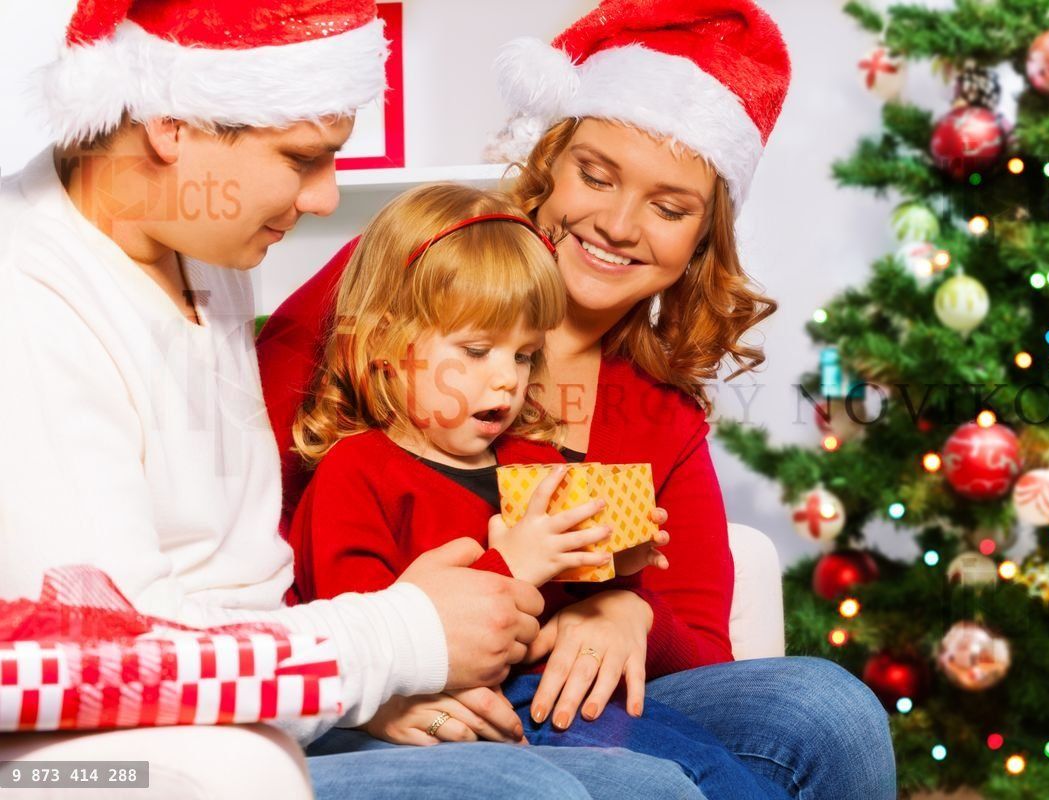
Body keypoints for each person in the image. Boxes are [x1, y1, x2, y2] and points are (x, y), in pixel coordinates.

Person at [0, 1, 648, 797]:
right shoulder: (25, 303)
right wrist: (393, 651)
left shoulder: (202, 248)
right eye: (305, 158)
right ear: (170, 124)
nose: (322, 197)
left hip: (302, 691)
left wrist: (615, 596)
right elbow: (115, 654)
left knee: (807, 711)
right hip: (169, 751)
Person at [257, 1, 898, 797]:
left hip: (561, 693)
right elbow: (221, 513)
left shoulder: (652, 415)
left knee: (825, 707)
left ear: (702, 240)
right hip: (355, 683)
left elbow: (685, 630)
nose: (618, 224)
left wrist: (627, 611)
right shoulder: (417, 276)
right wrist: (375, 680)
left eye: (669, 209)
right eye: (595, 175)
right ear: (548, 161)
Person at [286, 181, 791, 799]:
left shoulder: (534, 462)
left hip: (560, 692)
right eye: (474, 351)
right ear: (383, 347)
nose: (506, 380)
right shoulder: (355, 475)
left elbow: (577, 603)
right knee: (671, 781)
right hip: (471, 718)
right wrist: (514, 566)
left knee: (718, 772)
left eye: (525, 356)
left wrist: (618, 571)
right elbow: (370, 645)